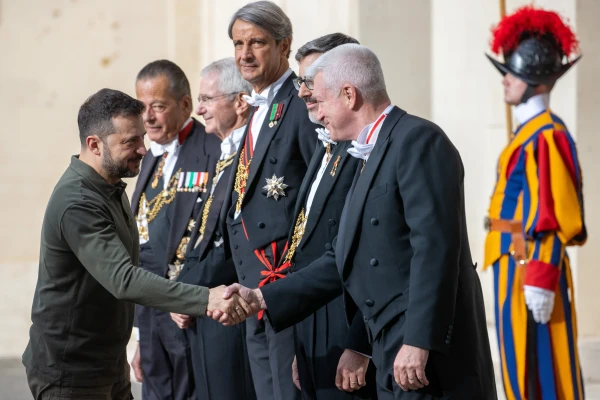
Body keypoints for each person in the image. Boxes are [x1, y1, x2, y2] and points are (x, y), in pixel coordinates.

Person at [214, 44, 497, 399]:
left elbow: (435, 250)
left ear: (349, 95)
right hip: (388, 343)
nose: (314, 115)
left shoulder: (418, 140)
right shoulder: (366, 152)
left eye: (319, 101)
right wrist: (261, 296)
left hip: (424, 352)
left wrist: (418, 341)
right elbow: (341, 257)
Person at [22, 88, 251, 400]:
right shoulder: (77, 201)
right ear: (94, 145)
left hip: (106, 365)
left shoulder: (110, 186)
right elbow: (124, 279)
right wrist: (205, 299)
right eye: (131, 141)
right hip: (71, 373)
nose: (144, 149)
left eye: (142, 137)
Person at [484, 7, 586, 399]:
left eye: (511, 73)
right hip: (515, 265)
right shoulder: (528, 134)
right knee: (518, 373)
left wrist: (540, 276)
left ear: (532, 78)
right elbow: (515, 213)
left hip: (531, 271)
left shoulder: (545, 136)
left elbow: (552, 213)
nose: (505, 81)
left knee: (543, 373)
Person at [220, 2, 319, 399]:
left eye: (257, 42)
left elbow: (322, 198)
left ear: (284, 45)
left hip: (288, 289)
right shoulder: (257, 107)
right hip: (252, 289)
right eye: (238, 43)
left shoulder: (302, 104)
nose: (245, 54)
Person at [285, 33, 377, 400]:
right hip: (312, 323)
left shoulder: (364, 151)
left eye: (314, 82)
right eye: (303, 81)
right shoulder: (327, 146)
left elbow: (377, 256)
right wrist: (300, 341)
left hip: (346, 321)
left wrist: (361, 344)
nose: (305, 92)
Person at [129, 60, 222, 400]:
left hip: (191, 311)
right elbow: (142, 250)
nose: (148, 117)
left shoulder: (213, 149)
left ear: (185, 105)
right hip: (152, 315)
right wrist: (140, 335)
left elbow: (217, 238)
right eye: (142, 107)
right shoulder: (147, 156)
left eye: (158, 107)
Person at [169, 58, 257, 400]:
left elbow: (232, 244)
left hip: (227, 307)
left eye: (207, 99)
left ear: (240, 101)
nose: (200, 108)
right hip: (202, 306)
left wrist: (186, 291)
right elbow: (202, 234)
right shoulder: (223, 153)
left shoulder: (249, 156)